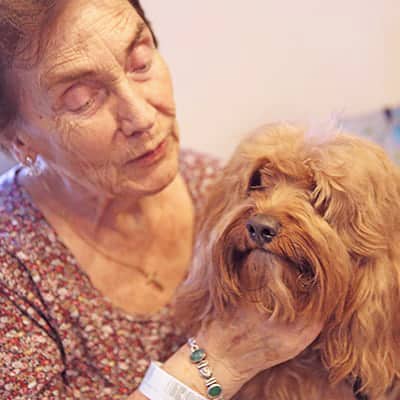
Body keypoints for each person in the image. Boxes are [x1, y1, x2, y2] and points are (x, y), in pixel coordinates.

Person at [0, 1, 323, 399]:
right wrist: (219, 361)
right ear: (18, 141)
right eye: (82, 99)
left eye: (140, 61)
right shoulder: (11, 271)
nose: (143, 117)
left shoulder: (224, 187)